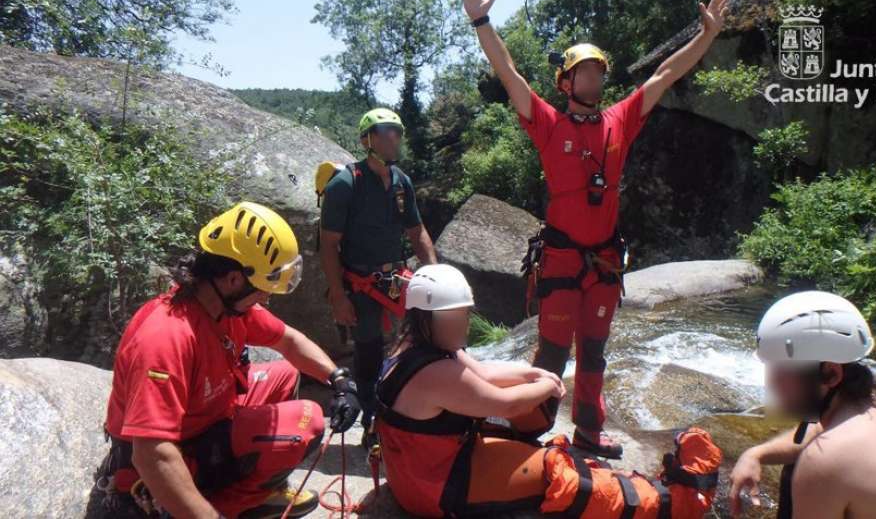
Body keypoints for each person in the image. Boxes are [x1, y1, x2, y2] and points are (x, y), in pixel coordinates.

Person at [459, 0, 730, 458]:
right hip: (562, 258)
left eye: (599, 72)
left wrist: (706, 35)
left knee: (595, 352)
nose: (595, 78)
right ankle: (527, 429)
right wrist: (481, 20)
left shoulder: (619, 119)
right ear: (566, 82)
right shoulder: (547, 122)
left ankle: (587, 430)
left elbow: (665, 75)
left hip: (604, 259)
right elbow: (508, 73)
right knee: (552, 353)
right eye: (585, 72)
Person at [374, 264, 723, 518]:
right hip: (434, 488)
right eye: (458, 316)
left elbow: (483, 372)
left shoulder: (412, 347)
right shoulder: (436, 373)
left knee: (544, 439)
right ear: (428, 317)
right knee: (564, 477)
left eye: (465, 314)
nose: (465, 323)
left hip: (419, 472)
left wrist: (531, 372)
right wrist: (544, 386)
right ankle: (673, 503)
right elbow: (504, 404)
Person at [87, 202, 361, 519]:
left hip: (207, 417)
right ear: (232, 279)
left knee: (285, 373)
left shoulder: (224, 307)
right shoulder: (167, 337)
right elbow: (152, 454)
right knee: (307, 420)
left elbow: (288, 339)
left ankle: (254, 489)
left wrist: (339, 378)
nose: (266, 298)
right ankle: (225, 507)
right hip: (176, 448)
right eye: (261, 289)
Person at [729, 291, 876, 519]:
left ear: (831, 374)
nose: (770, 385)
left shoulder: (824, 461)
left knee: (798, 471)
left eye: (781, 374)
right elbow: (819, 431)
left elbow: (826, 449)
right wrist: (756, 453)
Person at [319, 107, 438, 450]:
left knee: (426, 331)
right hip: (359, 281)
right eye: (385, 131)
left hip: (394, 276)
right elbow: (328, 245)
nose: (393, 138)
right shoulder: (345, 183)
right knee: (369, 349)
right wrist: (338, 296)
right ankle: (372, 423)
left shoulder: (401, 181)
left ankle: (416, 406)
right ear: (367, 139)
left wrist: (436, 274)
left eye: (397, 132)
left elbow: (417, 232)